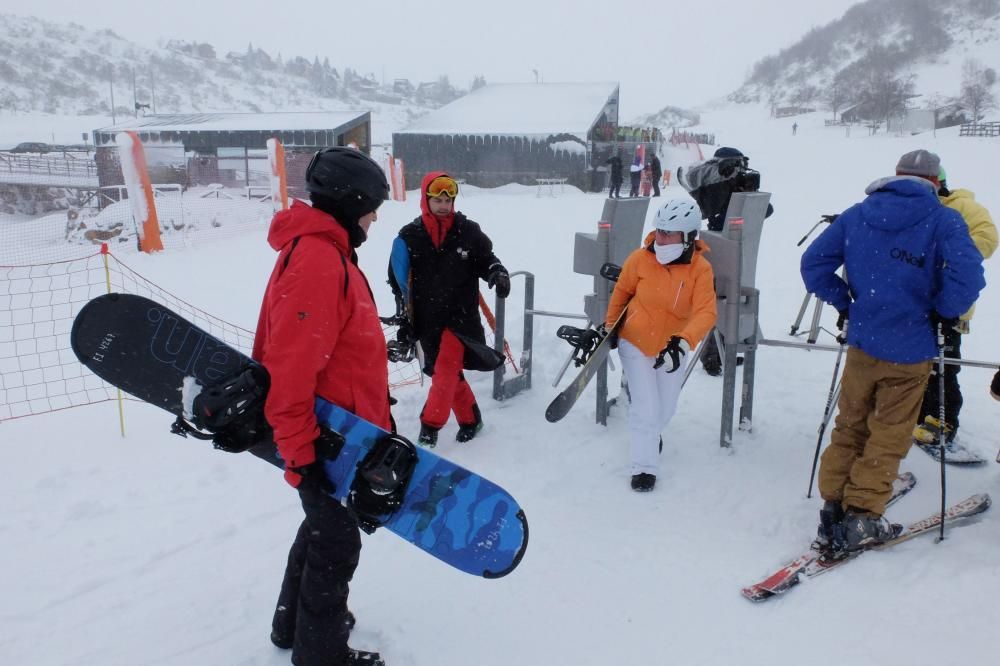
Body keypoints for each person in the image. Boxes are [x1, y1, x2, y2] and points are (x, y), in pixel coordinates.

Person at [801, 149, 985, 553]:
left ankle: (833, 506)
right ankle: (862, 516)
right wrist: (944, 310)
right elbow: (969, 276)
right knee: (889, 431)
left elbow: (813, 263)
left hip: (864, 339)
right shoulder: (944, 219)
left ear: (897, 176)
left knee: (850, 423)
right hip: (911, 346)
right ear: (935, 182)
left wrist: (847, 303)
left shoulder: (859, 213)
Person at [253, 147, 391, 666]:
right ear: (349, 201)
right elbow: (290, 365)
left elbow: (342, 353)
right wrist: (301, 453)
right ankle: (321, 653)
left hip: (341, 428)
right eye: (371, 206)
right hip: (325, 435)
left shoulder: (326, 252)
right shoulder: (316, 258)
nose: (375, 217)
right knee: (337, 540)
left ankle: (293, 623)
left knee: (321, 525)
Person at [604, 198, 717, 492]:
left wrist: (683, 342)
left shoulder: (700, 270)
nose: (662, 238)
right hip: (636, 341)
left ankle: (651, 435)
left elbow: (707, 311)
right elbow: (622, 291)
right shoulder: (639, 259)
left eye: (670, 234)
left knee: (665, 408)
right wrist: (609, 327)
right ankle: (644, 467)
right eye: (660, 231)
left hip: (672, 349)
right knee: (646, 406)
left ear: (689, 236)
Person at [388, 172, 508, 447]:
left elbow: (486, 259)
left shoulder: (468, 231)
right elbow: (398, 281)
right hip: (427, 320)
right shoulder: (409, 237)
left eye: (447, 200)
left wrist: (496, 273)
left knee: (444, 371)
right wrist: (404, 317)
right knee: (446, 373)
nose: (443, 205)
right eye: (437, 200)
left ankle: (429, 429)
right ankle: (471, 419)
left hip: (461, 318)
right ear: (425, 200)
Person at [912, 164, 997, 446]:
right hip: (915, 301)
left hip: (950, 301)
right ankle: (914, 413)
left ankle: (942, 419)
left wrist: (949, 252)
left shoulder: (963, 206)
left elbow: (988, 238)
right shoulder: (915, 208)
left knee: (943, 365)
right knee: (912, 361)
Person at [678, 146, 775, 376]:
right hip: (718, 244)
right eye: (737, 164)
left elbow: (766, 209)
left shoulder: (731, 184)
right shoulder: (710, 178)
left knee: (732, 298)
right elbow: (690, 179)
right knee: (718, 300)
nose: (740, 170)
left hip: (736, 243)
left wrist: (747, 192)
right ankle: (712, 355)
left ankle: (726, 348)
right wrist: (723, 173)